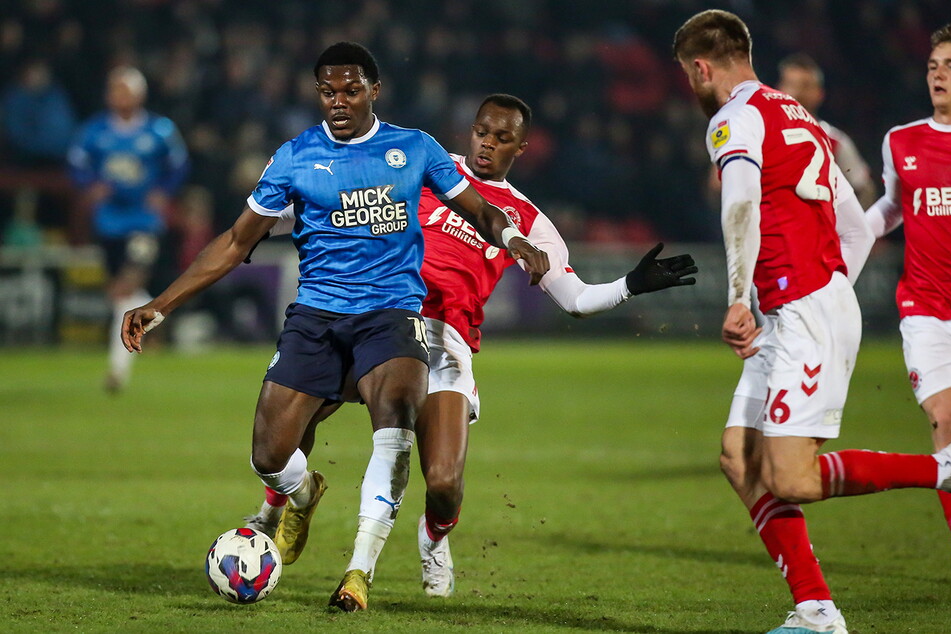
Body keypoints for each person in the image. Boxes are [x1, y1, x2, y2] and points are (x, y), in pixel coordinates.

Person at [120, 42, 549, 612]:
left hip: (392, 314)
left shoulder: (413, 148)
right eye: (328, 92)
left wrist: (514, 238)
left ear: (374, 90)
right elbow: (236, 242)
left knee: (394, 425)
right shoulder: (294, 157)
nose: (339, 102)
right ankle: (302, 495)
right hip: (317, 316)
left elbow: (481, 210)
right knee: (268, 456)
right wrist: (161, 304)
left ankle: (357, 573)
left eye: (351, 91)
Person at [244, 93, 698, 599]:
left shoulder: (527, 219)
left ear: (521, 148)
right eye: (482, 132)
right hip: (379, 318)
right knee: (295, 415)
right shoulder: (424, 168)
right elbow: (327, 204)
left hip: (443, 343)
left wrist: (631, 285)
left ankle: (434, 536)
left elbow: (574, 299)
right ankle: (280, 507)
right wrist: (261, 224)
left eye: (502, 138)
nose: (487, 144)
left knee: (443, 484)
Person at [673, 10, 951, 634]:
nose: (692, 89)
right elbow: (857, 228)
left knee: (793, 478)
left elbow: (740, 202)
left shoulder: (733, 118)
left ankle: (948, 469)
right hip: (800, 308)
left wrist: (743, 297)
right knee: (739, 458)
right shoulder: (799, 117)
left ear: (701, 68)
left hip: (800, 313)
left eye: (689, 77)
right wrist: (827, 291)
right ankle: (816, 610)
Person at [863, 22, 951, 579]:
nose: (938, 75)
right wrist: (851, 242)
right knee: (946, 420)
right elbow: (894, 205)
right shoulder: (902, 140)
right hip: (925, 309)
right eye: (932, 66)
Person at [68, 66, 189, 392]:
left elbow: (179, 164)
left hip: (144, 223)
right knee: (123, 296)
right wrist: (90, 187)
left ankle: (117, 371)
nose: (119, 96)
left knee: (124, 290)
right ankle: (161, 312)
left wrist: (164, 191)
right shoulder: (94, 131)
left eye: (125, 90)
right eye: (114, 89)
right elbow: (77, 163)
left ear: (139, 94)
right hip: (108, 223)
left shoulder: (159, 130)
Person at [776, 53, 875, 207]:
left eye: (804, 86)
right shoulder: (764, 134)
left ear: (819, 93)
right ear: (778, 89)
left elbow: (864, 188)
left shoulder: (834, 141)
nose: (796, 93)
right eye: (790, 85)